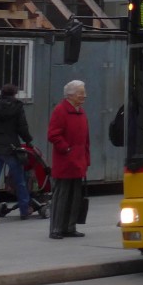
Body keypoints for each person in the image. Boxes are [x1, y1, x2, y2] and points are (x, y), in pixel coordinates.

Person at [0, 83, 34, 223]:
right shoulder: (17, 107)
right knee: (19, 181)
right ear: (14, 94)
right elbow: (22, 127)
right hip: (11, 148)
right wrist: (28, 141)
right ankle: (24, 210)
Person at [47, 79, 90, 239]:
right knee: (62, 195)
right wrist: (67, 149)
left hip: (78, 161)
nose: (84, 96)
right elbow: (53, 134)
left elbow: (86, 139)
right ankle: (57, 228)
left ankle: (70, 227)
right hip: (65, 161)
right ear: (71, 95)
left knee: (75, 196)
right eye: (81, 93)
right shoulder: (60, 110)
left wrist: (86, 158)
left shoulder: (81, 112)